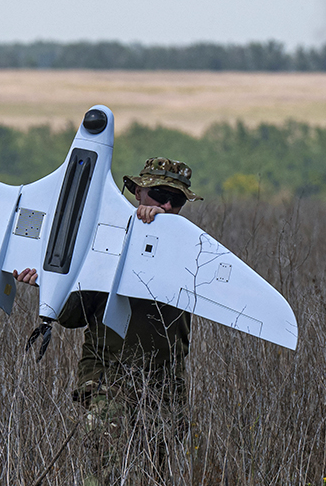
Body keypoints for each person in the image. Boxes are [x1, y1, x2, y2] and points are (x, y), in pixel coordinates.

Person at [13, 157, 202, 483]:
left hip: (164, 384)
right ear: (138, 193)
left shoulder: (192, 248)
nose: (167, 206)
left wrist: (156, 236)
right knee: (106, 470)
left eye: (177, 200)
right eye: (159, 195)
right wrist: (48, 287)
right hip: (107, 377)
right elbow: (73, 315)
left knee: (154, 474)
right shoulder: (108, 239)